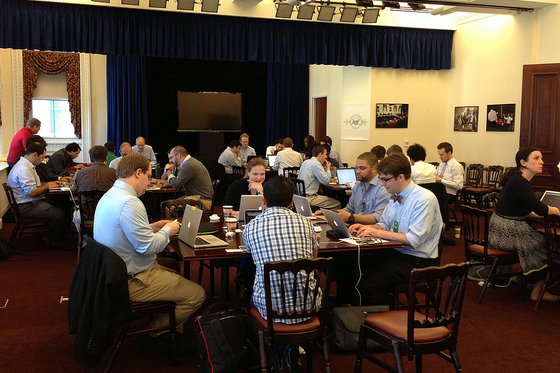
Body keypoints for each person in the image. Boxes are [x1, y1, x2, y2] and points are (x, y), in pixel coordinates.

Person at [93, 153, 206, 350]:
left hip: (110, 275)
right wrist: (168, 230)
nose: (149, 182)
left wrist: (154, 227)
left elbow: (126, 232)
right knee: (197, 294)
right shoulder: (130, 202)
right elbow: (147, 247)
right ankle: (155, 333)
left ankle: (170, 328)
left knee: (172, 266)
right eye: (148, 176)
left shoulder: (110, 195)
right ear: (138, 173)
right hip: (128, 281)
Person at [243, 176, 318, 370]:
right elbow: (313, 259)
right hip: (308, 306)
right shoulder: (307, 224)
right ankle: (291, 348)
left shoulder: (251, 227)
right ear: (292, 201)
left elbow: (253, 260)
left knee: (249, 298)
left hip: (270, 309)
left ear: (264, 200)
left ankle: (278, 350)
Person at [349, 154, 443, 306]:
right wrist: (368, 227)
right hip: (395, 253)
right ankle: (349, 309)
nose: (381, 184)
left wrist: (376, 232)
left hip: (417, 261)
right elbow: (385, 224)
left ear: (400, 177)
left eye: (385, 179)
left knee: (366, 287)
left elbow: (413, 240)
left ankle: (401, 315)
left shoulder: (424, 199)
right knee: (350, 263)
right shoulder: (396, 195)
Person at [489, 147, 560, 302]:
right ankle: (537, 291)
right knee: (550, 246)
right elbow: (541, 209)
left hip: (500, 230)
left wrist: (547, 211)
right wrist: (555, 210)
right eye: (536, 158)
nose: (541, 162)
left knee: (542, 241)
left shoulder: (517, 179)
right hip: (507, 233)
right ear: (523, 163)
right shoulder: (520, 182)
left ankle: (525, 278)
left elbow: (522, 209)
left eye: (541, 158)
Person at [7, 141, 69, 248]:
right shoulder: (24, 169)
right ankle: (45, 236)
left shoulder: (27, 165)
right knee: (59, 215)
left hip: (27, 201)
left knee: (61, 205)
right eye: (42, 157)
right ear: (35, 154)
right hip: (26, 205)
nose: (43, 160)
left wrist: (50, 183)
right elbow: (32, 192)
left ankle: (46, 233)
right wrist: (47, 185)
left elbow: (35, 185)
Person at [157, 146, 214, 212]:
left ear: (178, 156)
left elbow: (176, 185)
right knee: (169, 203)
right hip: (197, 198)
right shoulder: (189, 163)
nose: (171, 161)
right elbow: (180, 182)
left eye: (172, 157)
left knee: (169, 207)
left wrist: (168, 171)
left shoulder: (188, 165)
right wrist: (169, 183)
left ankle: (175, 222)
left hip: (202, 202)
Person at [298, 145, 341, 209]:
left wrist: (330, 179)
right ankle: (324, 216)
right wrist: (328, 168)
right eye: (325, 154)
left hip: (300, 196)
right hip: (310, 198)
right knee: (337, 203)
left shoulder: (306, 162)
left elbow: (315, 177)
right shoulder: (316, 164)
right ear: (320, 154)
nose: (326, 157)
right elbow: (326, 181)